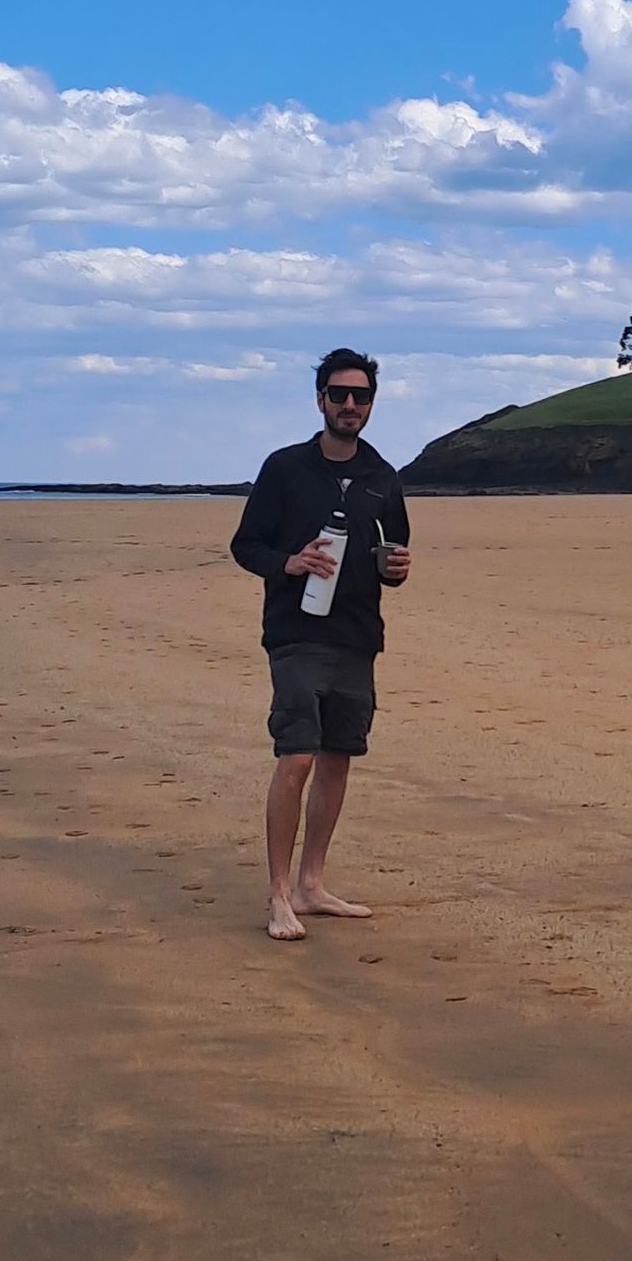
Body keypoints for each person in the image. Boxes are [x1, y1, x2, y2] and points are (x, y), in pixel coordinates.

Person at [230, 348, 412, 941]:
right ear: (320, 400)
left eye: (360, 396)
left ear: (371, 404)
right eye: (339, 394)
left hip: (357, 637)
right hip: (296, 634)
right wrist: (288, 562)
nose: (349, 405)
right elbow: (245, 545)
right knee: (298, 756)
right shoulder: (285, 469)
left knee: (337, 757)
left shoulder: (382, 478)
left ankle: (312, 884)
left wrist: (396, 570)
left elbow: (393, 553)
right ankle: (279, 894)